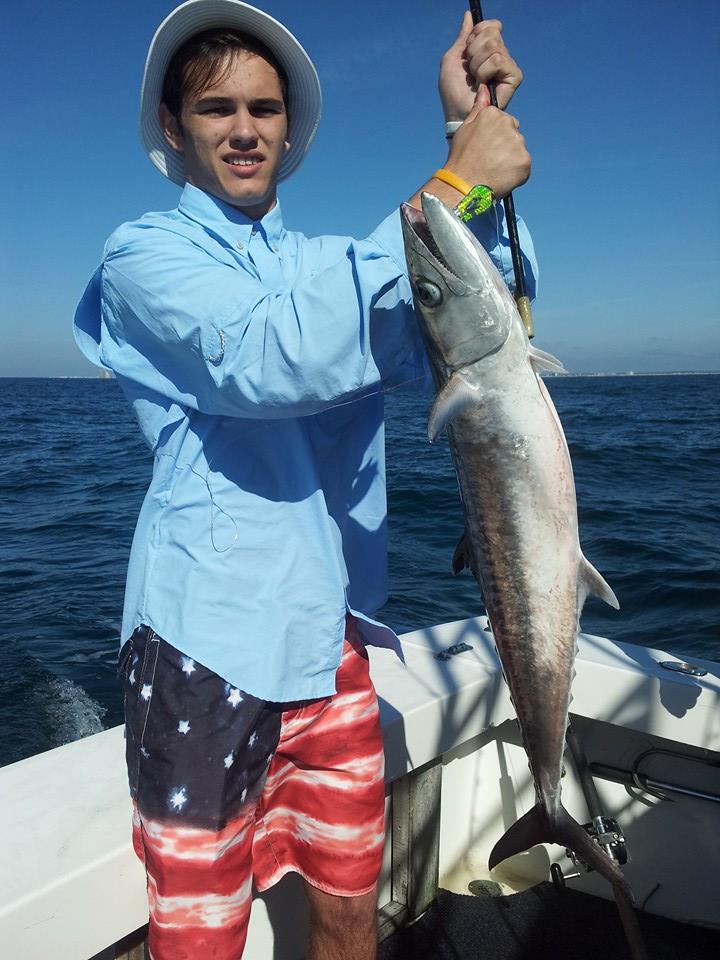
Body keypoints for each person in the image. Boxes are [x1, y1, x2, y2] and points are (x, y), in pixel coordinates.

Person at [73, 1, 536, 957]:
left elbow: (487, 309)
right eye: (216, 109)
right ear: (173, 126)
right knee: (199, 935)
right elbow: (264, 354)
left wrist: (466, 130)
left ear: (289, 127)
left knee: (349, 904)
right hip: (206, 652)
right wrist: (454, 186)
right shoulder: (141, 256)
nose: (245, 130)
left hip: (332, 642)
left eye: (265, 109)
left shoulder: (331, 261)